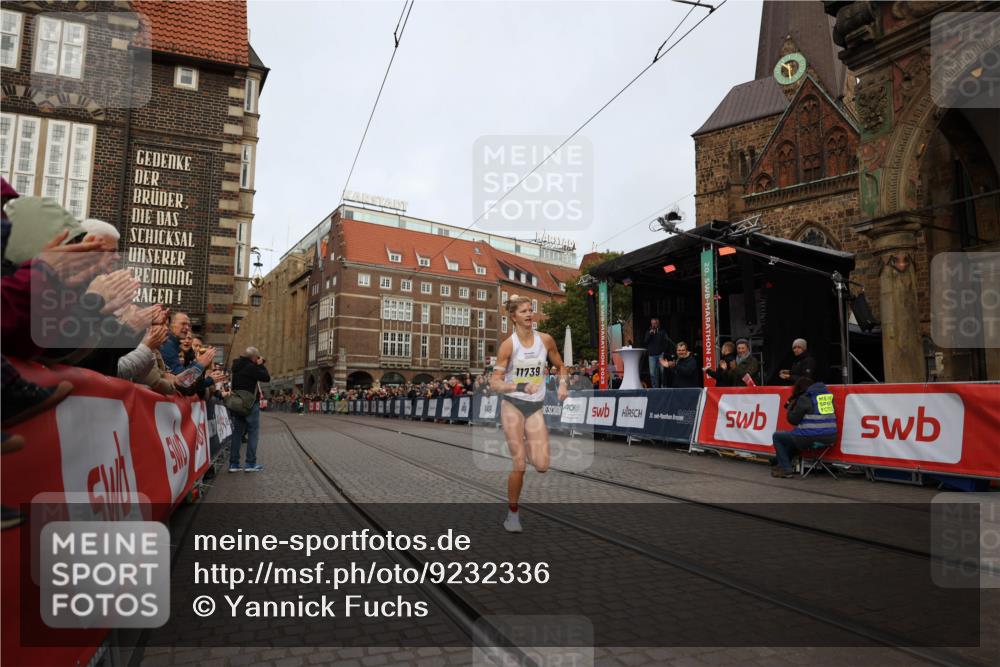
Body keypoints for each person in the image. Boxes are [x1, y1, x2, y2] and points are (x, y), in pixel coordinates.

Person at [490, 295, 568, 533]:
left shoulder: (545, 340)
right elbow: (495, 383)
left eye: (530, 311)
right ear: (513, 317)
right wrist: (520, 386)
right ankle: (512, 515)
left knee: (543, 465)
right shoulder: (508, 345)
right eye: (523, 311)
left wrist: (563, 384)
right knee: (520, 465)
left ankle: (526, 443)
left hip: (535, 406)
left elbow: (561, 366)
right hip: (513, 404)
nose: (528, 315)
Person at [771, 377, 838, 478]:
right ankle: (781, 465)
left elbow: (793, 420)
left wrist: (791, 407)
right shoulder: (827, 397)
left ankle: (786, 469)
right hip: (830, 437)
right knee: (793, 438)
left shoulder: (805, 398)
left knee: (777, 436)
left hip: (809, 438)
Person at [229, 346, 270, 473]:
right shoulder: (252, 367)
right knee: (253, 432)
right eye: (256, 357)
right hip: (251, 403)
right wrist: (261, 364)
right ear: (253, 357)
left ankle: (233, 464)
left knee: (237, 433)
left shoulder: (236, 366)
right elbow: (266, 378)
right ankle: (250, 463)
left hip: (237, 402)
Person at [642, 317, 672, 388]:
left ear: (658, 324)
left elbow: (666, 342)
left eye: (655, 323)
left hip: (660, 355)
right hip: (651, 356)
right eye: (652, 323)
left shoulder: (662, 332)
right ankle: (655, 388)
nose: (653, 325)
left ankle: (663, 387)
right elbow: (645, 342)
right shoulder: (648, 332)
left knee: (662, 372)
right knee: (652, 373)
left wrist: (663, 351)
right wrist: (650, 334)